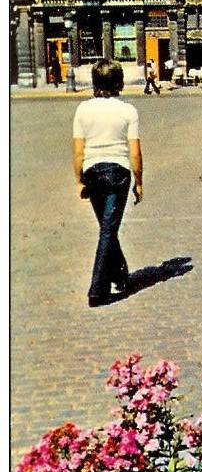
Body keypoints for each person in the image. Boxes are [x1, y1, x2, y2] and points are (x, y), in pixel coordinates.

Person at [72, 58, 142, 307]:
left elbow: (78, 151)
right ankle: (97, 290)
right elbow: (134, 151)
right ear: (119, 82)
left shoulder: (83, 110)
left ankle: (120, 274)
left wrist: (79, 179)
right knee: (108, 229)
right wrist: (139, 180)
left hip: (92, 172)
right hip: (118, 173)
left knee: (106, 226)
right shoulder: (127, 111)